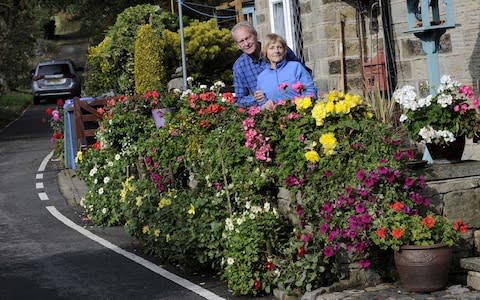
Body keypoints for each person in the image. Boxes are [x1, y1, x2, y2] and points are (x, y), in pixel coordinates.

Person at [231, 21, 311, 107]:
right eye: (241, 41)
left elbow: (304, 75)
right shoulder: (239, 66)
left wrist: (302, 101)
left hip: (295, 105)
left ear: (256, 36)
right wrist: (259, 99)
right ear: (238, 45)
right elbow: (240, 99)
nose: (246, 44)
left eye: (248, 38)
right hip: (267, 114)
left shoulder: (278, 50)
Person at [256, 33, 317, 109]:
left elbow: (310, 91)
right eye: (271, 48)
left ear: (284, 50)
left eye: (280, 47)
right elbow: (261, 103)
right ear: (265, 52)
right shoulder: (262, 77)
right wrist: (265, 106)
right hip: (276, 117)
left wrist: (299, 105)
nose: (276, 51)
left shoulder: (296, 67)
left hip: (300, 113)